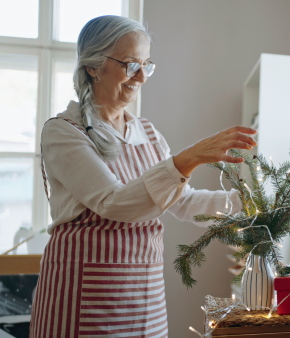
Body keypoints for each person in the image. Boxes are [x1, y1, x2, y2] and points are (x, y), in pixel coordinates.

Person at [29, 15, 256, 337]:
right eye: (130, 64)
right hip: (82, 291)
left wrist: (248, 203)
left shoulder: (146, 132)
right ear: (94, 66)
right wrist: (187, 159)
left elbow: (182, 201)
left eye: (147, 65)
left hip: (143, 290)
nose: (141, 77)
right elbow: (115, 203)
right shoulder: (63, 131)